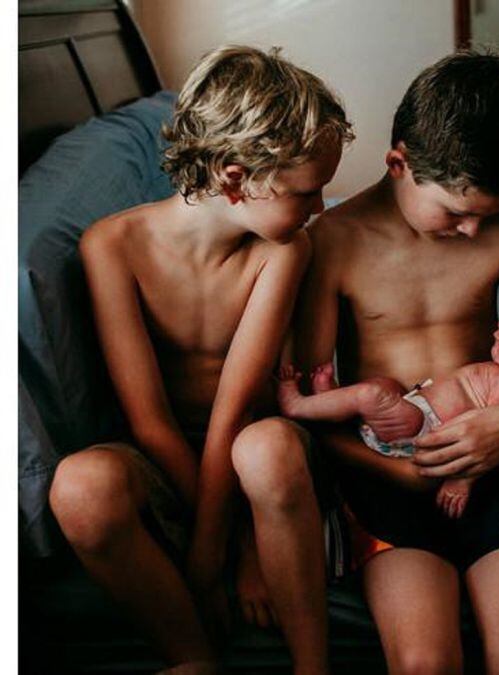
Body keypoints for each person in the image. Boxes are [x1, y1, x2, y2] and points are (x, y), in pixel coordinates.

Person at [47, 46, 352, 674]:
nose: (320, 210)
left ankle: (312, 665)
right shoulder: (113, 245)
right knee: (79, 489)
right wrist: (208, 555)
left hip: (254, 449)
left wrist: (227, 542)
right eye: (307, 192)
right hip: (166, 457)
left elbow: (236, 409)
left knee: (260, 448)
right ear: (236, 179)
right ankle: (192, 657)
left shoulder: (283, 252)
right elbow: (149, 419)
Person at [291, 51, 499, 674]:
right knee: (422, 661)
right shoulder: (333, 241)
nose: (474, 232)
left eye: (486, 215)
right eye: (457, 211)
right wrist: (398, 475)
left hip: (494, 461)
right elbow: (315, 406)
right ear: (399, 164)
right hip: (388, 477)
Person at [277, 298, 499, 518]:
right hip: (415, 411)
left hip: (423, 432)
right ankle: (332, 399)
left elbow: (487, 439)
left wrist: (462, 480)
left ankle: (299, 405)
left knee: (373, 394)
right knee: (386, 386)